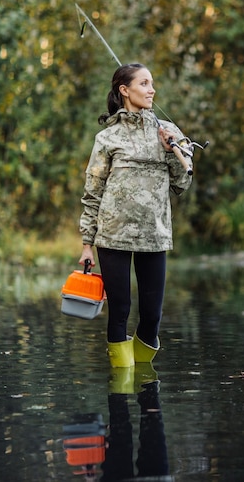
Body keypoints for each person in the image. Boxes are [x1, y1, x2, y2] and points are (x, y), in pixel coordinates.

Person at [79, 63, 193, 369]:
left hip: (154, 235)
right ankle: (121, 388)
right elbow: (92, 193)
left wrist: (170, 149)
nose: (151, 89)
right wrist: (87, 244)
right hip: (112, 235)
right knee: (120, 310)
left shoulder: (168, 133)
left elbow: (182, 184)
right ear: (124, 90)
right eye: (144, 83)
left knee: (152, 316)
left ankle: (143, 381)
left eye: (152, 83)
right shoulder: (107, 138)